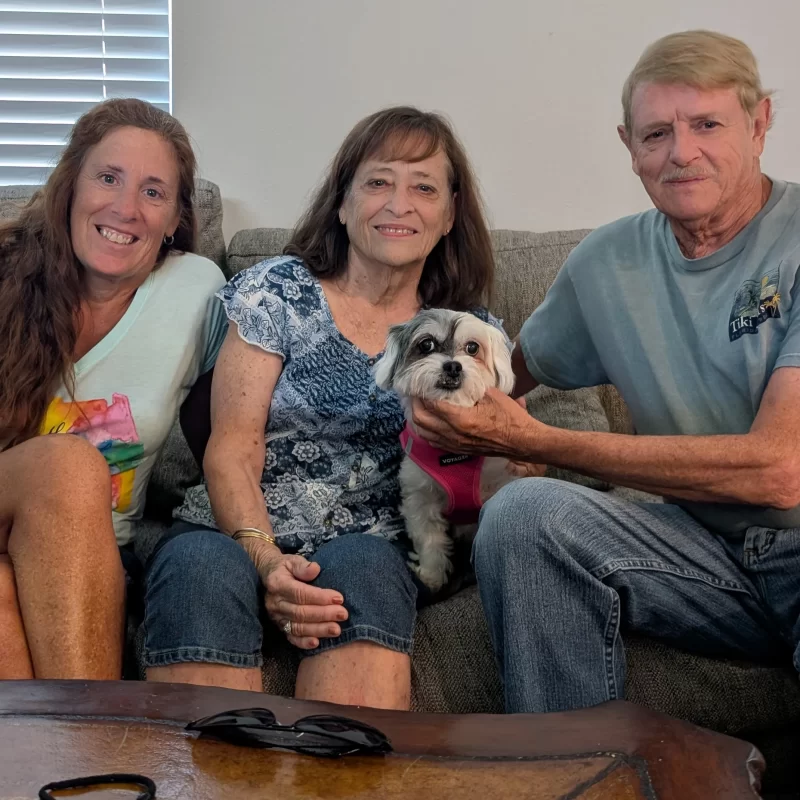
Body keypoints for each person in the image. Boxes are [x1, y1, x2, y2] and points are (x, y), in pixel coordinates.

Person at [411, 29, 800, 713]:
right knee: (524, 514)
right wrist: (452, 414)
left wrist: (536, 441)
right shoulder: (605, 263)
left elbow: (779, 468)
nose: (682, 153)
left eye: (707, 124)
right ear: (629, 146)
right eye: (656, 134)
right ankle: (574, 763)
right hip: (702, 554)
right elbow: (500, 380)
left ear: (760, 122)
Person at [144, 106, 502, 709]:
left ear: (449, 214)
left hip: (371, 541)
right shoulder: (278, 292)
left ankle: (342, 762)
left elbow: (496, 454)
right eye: (378, 181)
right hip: (235, 526)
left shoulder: (469, 338)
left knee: (363, 566)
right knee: (200, 565)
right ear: (342, 202)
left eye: (423, 188)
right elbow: (233, 446)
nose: (399, 204)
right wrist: (266, 560)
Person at [0, 99, 226, 680]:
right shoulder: (5, 272)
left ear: (175, 218)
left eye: (153, 192)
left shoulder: (196, 292)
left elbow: (247, 428)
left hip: (91, 556)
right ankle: (96, 738)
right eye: (108, 178)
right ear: (71, 186)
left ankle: (69, 740)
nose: (125, 208)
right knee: (68, 465)